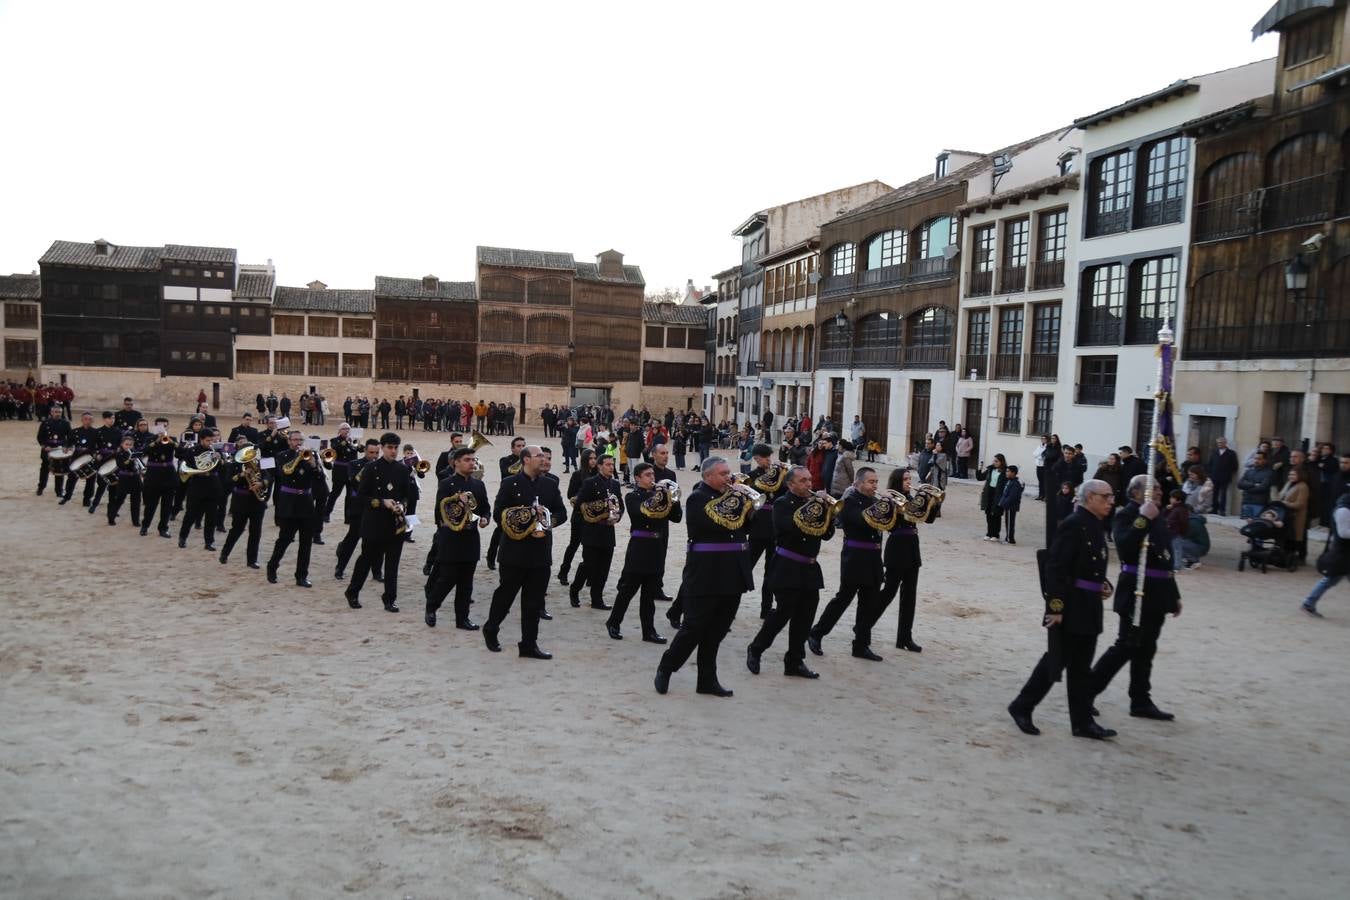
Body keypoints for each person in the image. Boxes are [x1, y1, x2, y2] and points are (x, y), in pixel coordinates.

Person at [1008, 479, 1117, 739]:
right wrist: (1055, 608)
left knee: (1081, 667)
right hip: (1071, 605)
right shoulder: (1073, 525)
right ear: (1090, 497)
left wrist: (1102, 584)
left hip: (1089, 604)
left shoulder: (1095, 525)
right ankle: (1022, 705)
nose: (1111, 502)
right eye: (1106, 497)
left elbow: (1089, 566)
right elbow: (1055, 569)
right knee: (1056, 660)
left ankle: (1082, 722)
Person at [654, 457, 754, 697]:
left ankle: (707, 680)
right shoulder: (698, 498)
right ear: (708, 476)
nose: (728, 477)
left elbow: (749, 527)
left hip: (733, 572)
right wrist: (736, 500)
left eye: (729, 473)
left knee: (717, 631)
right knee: (694, 628)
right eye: (722, 473)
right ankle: (667, 667)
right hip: (706, 572)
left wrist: (748, 504)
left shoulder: (735, 499)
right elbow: (714, 525)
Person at [1089, 474, 1183, 722]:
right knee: (1126, 646)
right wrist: (1144, 518)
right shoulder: (1127, 514)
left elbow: (1164, 558)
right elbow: (1126, 547)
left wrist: (1173, 594)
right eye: (1154, 488)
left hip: (1158, 591)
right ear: (1136, 493)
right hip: (1136, 591)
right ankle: (1086, 692)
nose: (1160, 492)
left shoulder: (1159, 515)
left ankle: (1140, 700)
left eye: (1161, 488)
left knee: (1147, 650)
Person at [746, 465, 836, 679]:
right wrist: (816, 506)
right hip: (787, 566)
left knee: (805, 617)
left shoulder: (813, 504)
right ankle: (756, 648)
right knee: (783, 612)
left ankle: (794, 661)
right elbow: (791, 527)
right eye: (803, 481)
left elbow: (827, 535)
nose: (809, 484)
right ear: (790, 484)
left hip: (810, 568)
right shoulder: (782, 503)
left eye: (809, 480)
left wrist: (828, 514)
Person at [482, 446, 569, 659]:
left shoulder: (550, 484)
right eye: (539, 456)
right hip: (514, 551)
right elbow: (498, 514)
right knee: (505, 595)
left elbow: (562, 513)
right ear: (526, 460)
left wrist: (547, 521)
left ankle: (529, 644)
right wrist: (526, 515)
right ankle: (491, 628)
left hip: (540, 552)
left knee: (534, 601)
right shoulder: (509, 483)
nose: (544, 459)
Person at [807, 467, 900, 662]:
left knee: (870, 601)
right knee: (844, 598)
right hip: (855, 556)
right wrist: (883, 505)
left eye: (876, 482)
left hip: (874, 556)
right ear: (858, 483)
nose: (874, 485)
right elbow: (861, 520)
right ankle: (817, 633)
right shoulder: (848, 502)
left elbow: (889, 526)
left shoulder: (875, 501)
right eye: (870, 482)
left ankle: (861, 645)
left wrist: (892, 508)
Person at [606, 462, 678, 642]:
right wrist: (659, 497)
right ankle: (614, 622)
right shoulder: (633, 496)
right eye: (647, 475)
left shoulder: (661, 496)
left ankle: (649, 631)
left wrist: (673, 498)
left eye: (653, 475)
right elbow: (641, 514)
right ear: (637, 478)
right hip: (639, 547)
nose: (652, 478)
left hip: (657, 547)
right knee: (628, 590)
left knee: (649, 594)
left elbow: (677, 517)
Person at [344, 432, 415, 612]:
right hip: (374, 523)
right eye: (389, 447)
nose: (393, 451)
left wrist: (402, 505)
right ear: (382, 448)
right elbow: (361, 497)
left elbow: (407, 495)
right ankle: (353, 591)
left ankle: (390, 599)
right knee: (366, 560)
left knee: (392, 564)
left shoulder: (403, 470)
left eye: (395, 448)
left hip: (395, 524)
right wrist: (382, 502)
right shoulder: (371, 469)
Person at [425, 445, 492, 629]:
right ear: (456, 463)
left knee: (466, 583)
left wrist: (485, 518)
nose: (472, 463)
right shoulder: (446, 484)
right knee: (447, 578)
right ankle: (431, 606)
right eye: (467, 460)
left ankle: (462, 619)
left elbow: (485, 508)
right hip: (451, 538)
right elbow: (439, 511)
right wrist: (456, 501)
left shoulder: (478, 484)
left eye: (473, 460)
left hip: (470, 537)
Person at [874, 467, 924, 653]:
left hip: (912, 547)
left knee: (910, 595)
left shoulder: (911, 499)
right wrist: (889, 501)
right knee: (889, 592)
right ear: (897, 482)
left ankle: (904, 637)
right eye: (905, 479)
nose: (909, 482)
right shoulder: (889, 499)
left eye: (909, 478)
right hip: (897, 547)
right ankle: (865, 625)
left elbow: (927, 519)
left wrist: (932, 502)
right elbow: (888, 523)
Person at [266, 430, 322, 587]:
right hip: (289, 503)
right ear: (289, 441)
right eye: (295, 440)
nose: (298, 442)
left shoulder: (310, 455)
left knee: (306, 543)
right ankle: (272, 566)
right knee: (284, 539)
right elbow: (284, 473)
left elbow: (319, 478)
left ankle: (301, 576)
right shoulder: (282, 456)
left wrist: (313, 464)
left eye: (300, 440)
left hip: (306, 503)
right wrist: (299, 457)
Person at [569, 454, 622, 611]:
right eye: (607, 464)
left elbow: (620, 504)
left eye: (612, 464)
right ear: (599, 466)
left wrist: (617, 516)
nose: (611, 467)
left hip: (608, 529)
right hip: (592, 530)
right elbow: (579, 504)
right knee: (589, 565)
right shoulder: (590, 483)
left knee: (604, 567)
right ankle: (575, 589)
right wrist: (600, 507)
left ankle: (597, 599)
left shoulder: (615, 484)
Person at [745, 445, 788, 619]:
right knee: (745, 567)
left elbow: (785, 494)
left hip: (775, 528)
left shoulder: (780, 475)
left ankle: (766, 608)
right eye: (765, 458)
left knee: (771, 571)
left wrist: (782, 474)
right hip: (758, 526)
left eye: (770, 457)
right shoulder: (752, 477)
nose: (769, 461)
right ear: (756, 458)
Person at [333, 440, 381, 581]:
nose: (374, 456)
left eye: (377, 453)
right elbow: (354, 482)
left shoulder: (382, 466)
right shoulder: (355, 464)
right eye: (371, 452)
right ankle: (340, 568)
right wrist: (368, 467)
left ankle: (377, 572)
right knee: (352, 540)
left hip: (375, 508)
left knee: (375, 542)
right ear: (365, 451)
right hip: (359, 508)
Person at [1302, 488, 1349, 617]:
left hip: (1345, 550)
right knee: (1331, 579)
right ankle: (1308, 602)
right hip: (1343, 551)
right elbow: (1343, 533)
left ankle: (1309, 602)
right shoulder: (1343, 510)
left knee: (1331, 579)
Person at [176, 430, 224, 551]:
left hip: (212, 485)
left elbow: (222, 468)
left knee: (211, 516)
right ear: (201, 440)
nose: (210, 443)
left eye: (211, 440)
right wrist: (200, 469)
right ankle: (183, 537)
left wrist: (219, 459)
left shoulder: (215, 451)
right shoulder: (192, 451)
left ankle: (209, 542)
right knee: (190, 514)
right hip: (197, 485)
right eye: (208, 440)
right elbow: (186, 467)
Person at [485, 436, 527, 570]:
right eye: (518, 446)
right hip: (507, 497)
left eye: (523, 446)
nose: (521, 448)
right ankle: (491, 556)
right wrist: (522, 460)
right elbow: (507, 472)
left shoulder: (528, 461)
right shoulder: (505, 460)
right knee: (500, 529)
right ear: (512, 448)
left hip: (522, 498)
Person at [557, 448, 597, 586]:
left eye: (594, 458)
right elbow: (570, 494)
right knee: (573, 545)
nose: (593, 461)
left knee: (590, 548)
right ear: (585, 460)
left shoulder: (599, 475)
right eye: (590, 458)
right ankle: (563, 572)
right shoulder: (577, 475)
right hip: (579, 516)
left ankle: (589, 576)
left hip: (594, 517)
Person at [324, 423, 359, 521]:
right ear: (339, 431)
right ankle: (326, 513)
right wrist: (345, 442)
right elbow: (335, 448)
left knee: (350, 495)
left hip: (351, 471)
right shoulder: (335, 440)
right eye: (344, 429)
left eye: (348, 429)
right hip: (339, 471)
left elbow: (360, 449)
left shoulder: (353, 441)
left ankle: (348, 517)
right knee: (335, 493)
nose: (347, 431)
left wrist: (357, 444)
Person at [36, 404, 71, 497]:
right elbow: (40, 437)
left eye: (59, 412)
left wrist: (66, 446)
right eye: (55, 412)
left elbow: (70, 438)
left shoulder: (66, 423)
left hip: (60, 451)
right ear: (51, 413)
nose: (58, 414)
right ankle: (41, 487)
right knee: (44, 470)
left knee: (60, 472)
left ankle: (59, 491)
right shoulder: (45, 423)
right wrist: (44, 446)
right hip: (48, 450)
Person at [1278, 467, 1311, 563]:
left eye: (1293, 475)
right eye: (1290, 474)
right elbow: (1281, 495)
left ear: (1300, 475)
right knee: (1285, 536)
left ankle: (1292, 558)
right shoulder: (1288, 483)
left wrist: (1284, 503)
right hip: (1285, 515)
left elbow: (1300, 504)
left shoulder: (1303, 486)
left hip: (1296, 516)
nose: (1290, 476)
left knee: (1294, 537)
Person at [1238, 451, 1274, 519]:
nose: (1256, 460)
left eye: (1259, 459)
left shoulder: (1269, 473)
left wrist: (1246, 488)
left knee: (1257, 525)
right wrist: (1254, 484)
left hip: (1259, 503)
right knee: (1245, 526)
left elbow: (1263, 487)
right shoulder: (1249, 471)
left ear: (1265, 460)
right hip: (1246, 502)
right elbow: (1239, 484)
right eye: (1255, 458)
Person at [1207, 436, 1238, 515]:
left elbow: (1235, 466)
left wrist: (1228, 472)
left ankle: (1222, 510)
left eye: (1221, 442)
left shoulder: (1231, 453)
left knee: (1223, 494)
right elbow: (1210, 464)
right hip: (1214, 476)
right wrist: (1210, 474)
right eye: (1218, 443)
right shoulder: (1214, 452)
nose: (1219, 444)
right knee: (1215, 493)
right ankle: (1214, 509)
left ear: (1225, 443)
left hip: (1225, 477)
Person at [980, 454, 1007, 541]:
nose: (994, 462)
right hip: (989, 492)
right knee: (988, 513)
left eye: (996, 461)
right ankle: (989, 533)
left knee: (996, 514)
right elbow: (980, 477)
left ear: (1001, 462)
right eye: (994, 461)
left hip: (998, 494)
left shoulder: (1005, 471)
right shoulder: (990, 469)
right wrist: (980, 469)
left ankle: (996, 534)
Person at [1000, 465, 1024, 545]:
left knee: (1010, 523)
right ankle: (1008, 537)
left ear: (1013, 473)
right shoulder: (1010, 481)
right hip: (1008, 506)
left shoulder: (1015, 483)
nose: (1006, 473)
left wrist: (1004, 503)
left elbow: (1012, 497)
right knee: (1008, 522)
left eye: (1008, 471)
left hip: (1011, 506)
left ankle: (1010, 539)